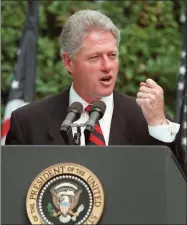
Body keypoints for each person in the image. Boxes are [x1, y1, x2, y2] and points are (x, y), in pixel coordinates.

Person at [5, 10, 184, 169]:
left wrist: (159, 125)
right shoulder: (28, 123)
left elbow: (176, 187)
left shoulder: (147, 119)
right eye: (95, 57)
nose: (107, 66)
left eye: (112, 55)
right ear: (68, 62)